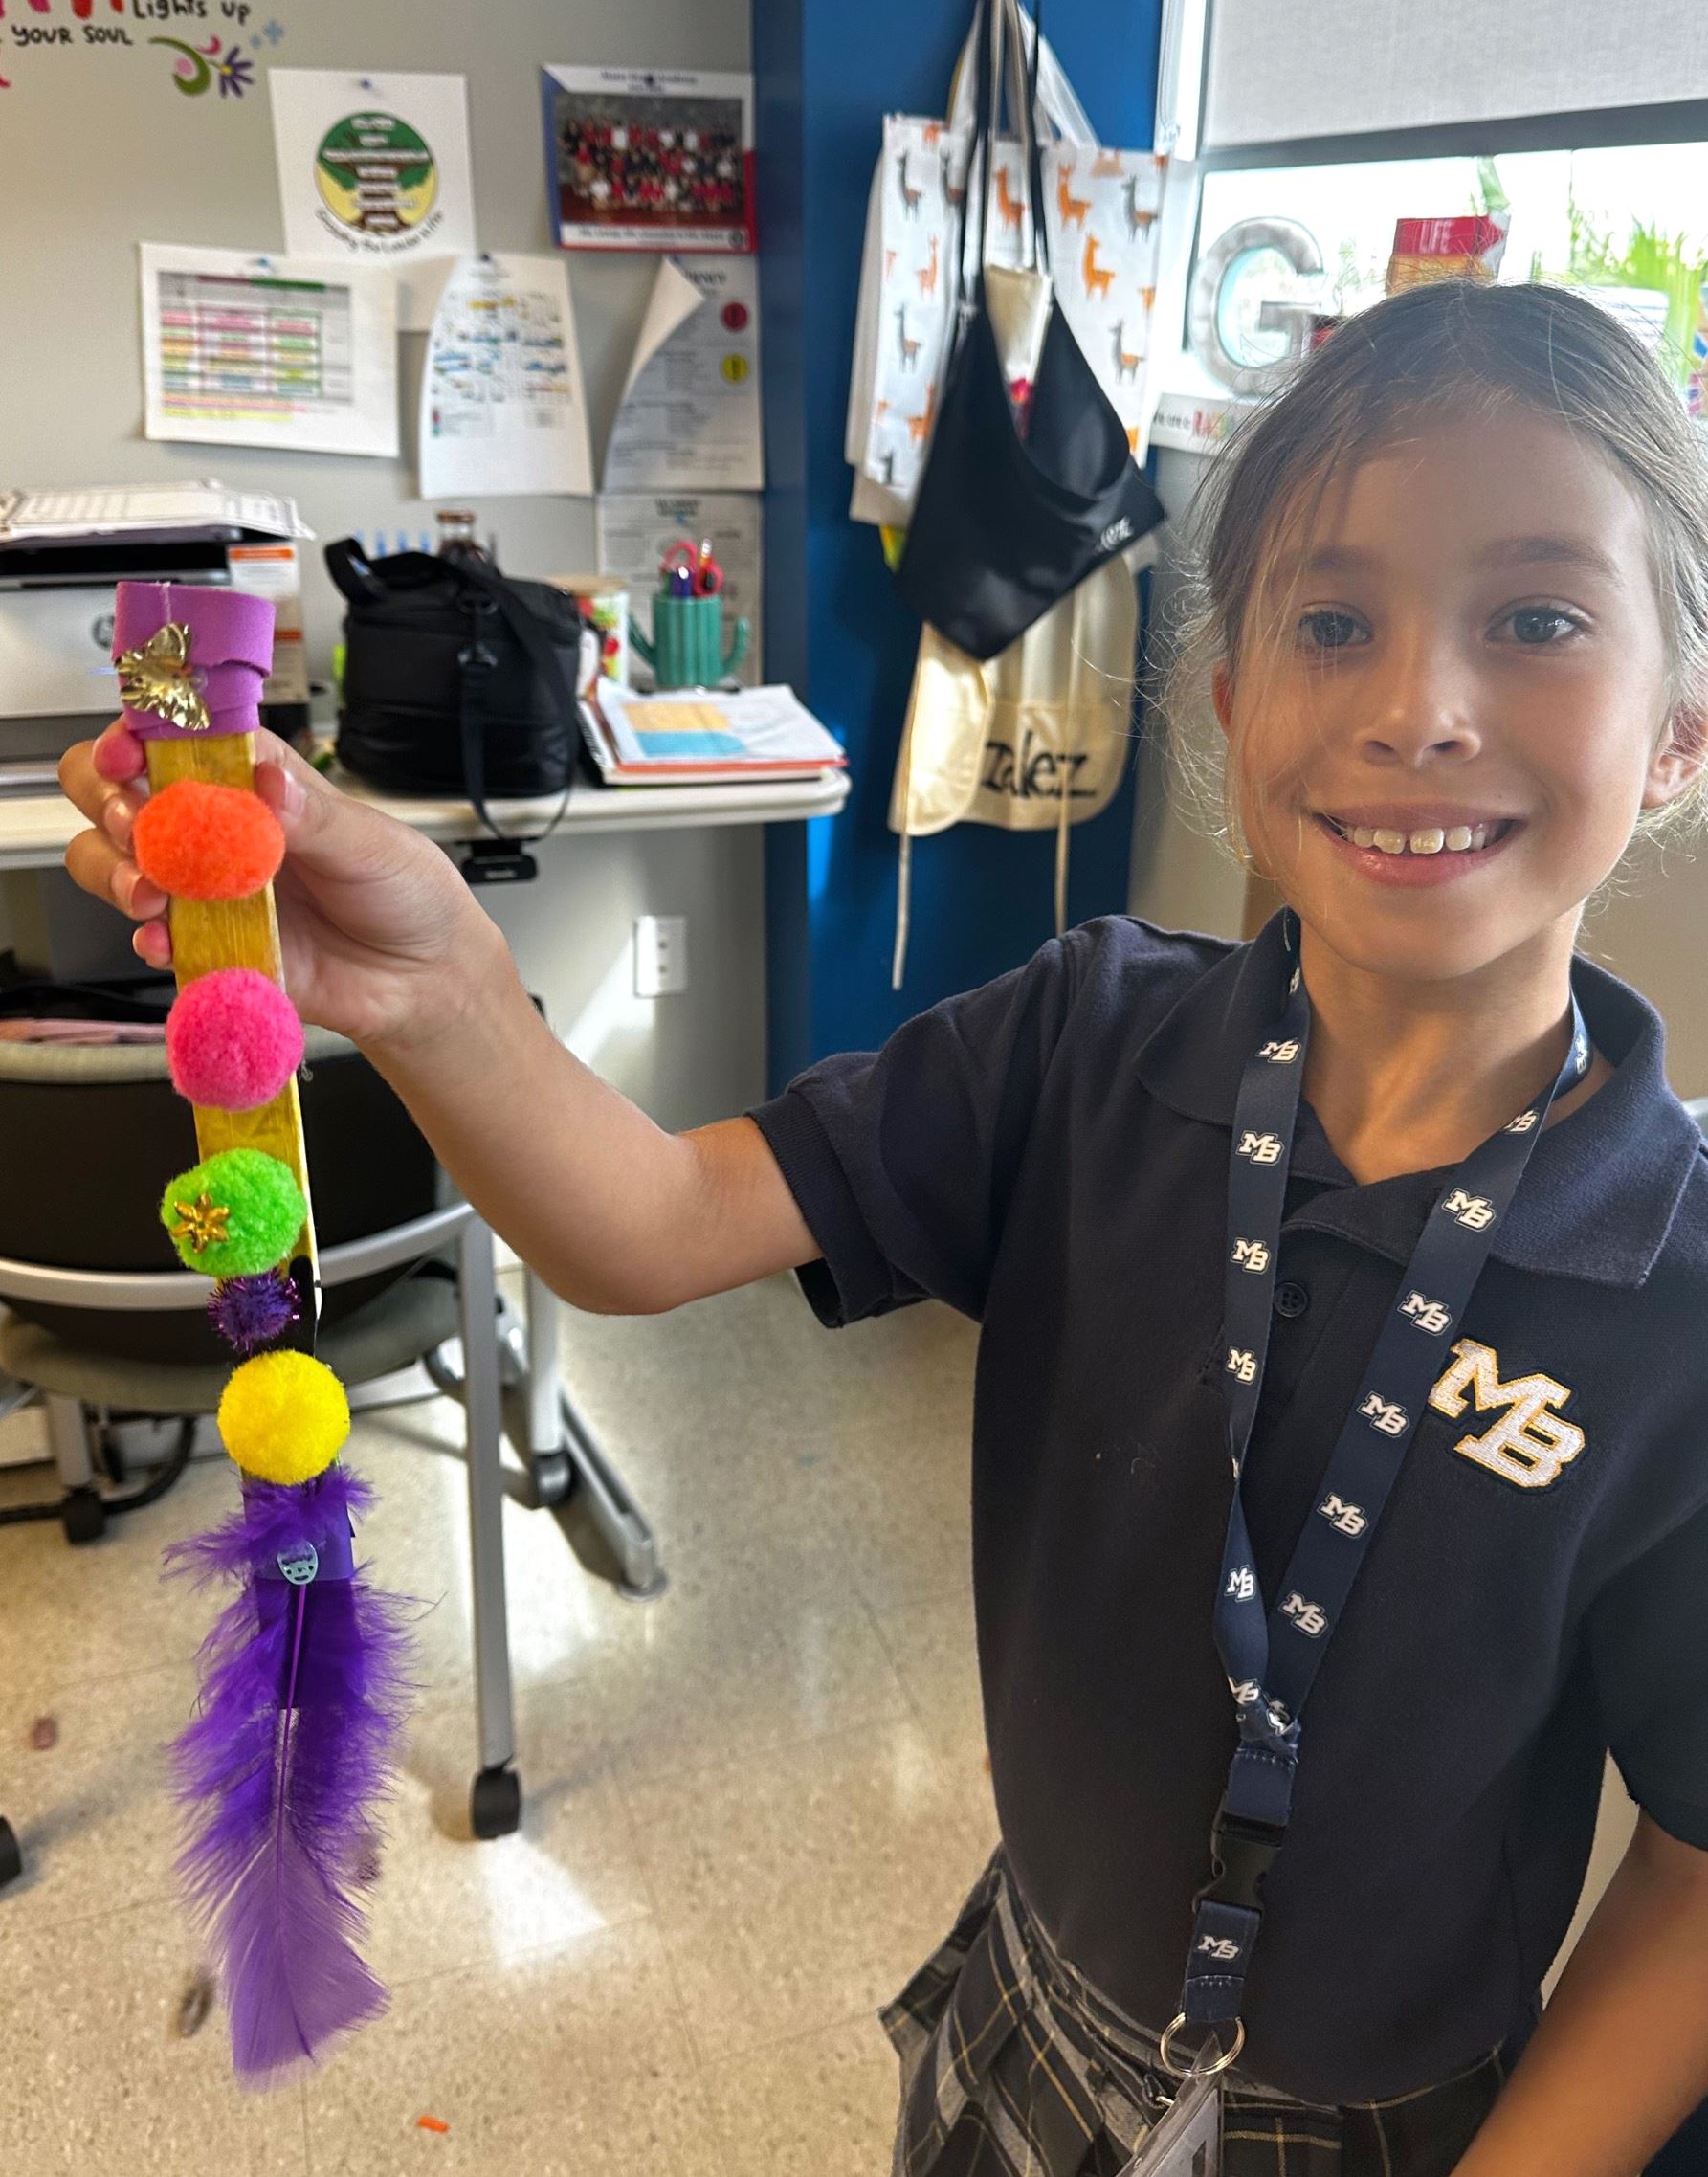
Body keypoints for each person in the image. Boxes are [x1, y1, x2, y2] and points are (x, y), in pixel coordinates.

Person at [57, 281, 1708, 2176]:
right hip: (1031, 2011)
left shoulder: (1670, 1294)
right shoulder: (1084, 1043)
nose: (1415, 709)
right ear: (1232, 700)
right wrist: (437, 983)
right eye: (1330, 622)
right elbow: (650, 1223)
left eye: (1535, 619)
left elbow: (1690, 1866)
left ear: (1675, 724)